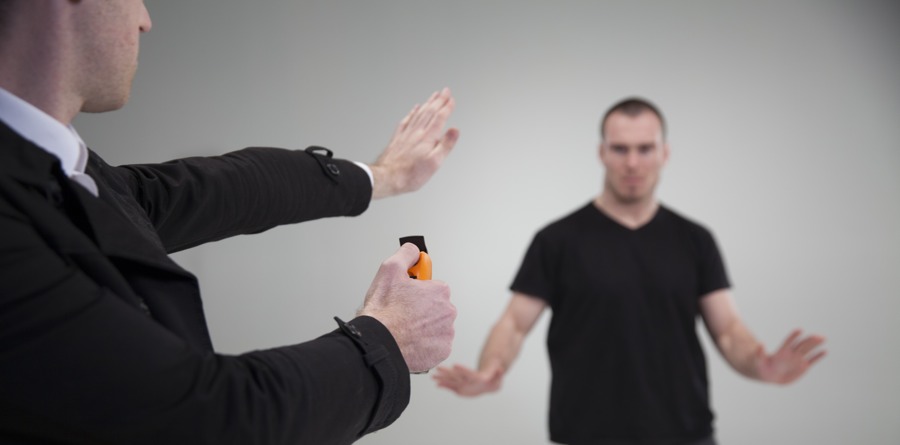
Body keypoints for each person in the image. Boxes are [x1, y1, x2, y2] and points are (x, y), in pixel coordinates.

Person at [0, 1, 458, 444]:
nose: (145, 19)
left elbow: (211, 190)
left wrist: (382, 177)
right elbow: (206, 422)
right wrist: (387, 339)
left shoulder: (51, 169)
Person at [433, 97, 826, 445]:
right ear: (602, 153)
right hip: (587, 435)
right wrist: (491, 369)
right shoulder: (557, 240)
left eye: (645, 148)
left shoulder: (695, 240)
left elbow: (728, 331)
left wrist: (761, 364)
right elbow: (514, 324)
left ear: (664, 153)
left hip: (685, 434)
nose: (632, 162)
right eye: (620, 149)